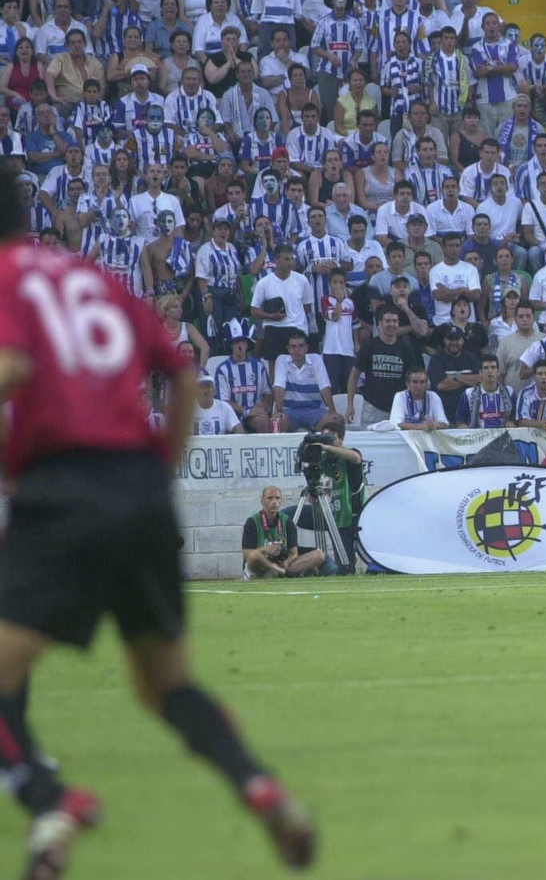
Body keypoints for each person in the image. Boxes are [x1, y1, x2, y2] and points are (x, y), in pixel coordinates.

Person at [0, 166, 315, 875]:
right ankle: (260, 789)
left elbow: (11, 366)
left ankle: (50, 806)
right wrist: (157, 471)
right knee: (166, 685)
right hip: (139, 490)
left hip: (63, 489)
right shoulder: (85, 276)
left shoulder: (6, 276)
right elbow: (177, 369)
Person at [240, 486, 326, 579]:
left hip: (282, 564)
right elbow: (246, 554)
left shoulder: (287, 521)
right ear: (262, 500)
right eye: (270, 498)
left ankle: (278, 573)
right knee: (254, 555)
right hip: (262, 564)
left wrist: (288, 561)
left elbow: (294, 553)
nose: (274, 502)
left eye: (277, 498)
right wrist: (265, 549)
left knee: (319, 555)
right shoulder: (253, 521)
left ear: (281, 500)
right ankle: (280, 572)